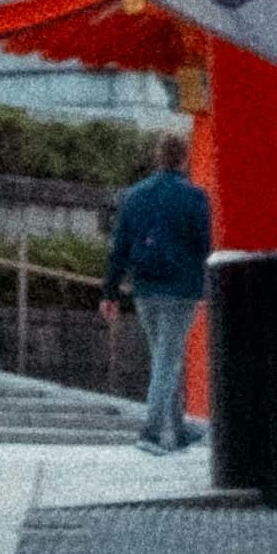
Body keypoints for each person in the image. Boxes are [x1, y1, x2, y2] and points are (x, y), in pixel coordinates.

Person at [106, 138, 218, 450]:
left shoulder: (135, 195)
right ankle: (151, 432)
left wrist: (109, 291)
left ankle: (179, 429)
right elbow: (206, 244)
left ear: (158, 157)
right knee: (168, 360)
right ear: (184, 159)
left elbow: (120, 247)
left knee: (165, 357)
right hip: (181, 289)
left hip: (144, 288)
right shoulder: (195, 197)